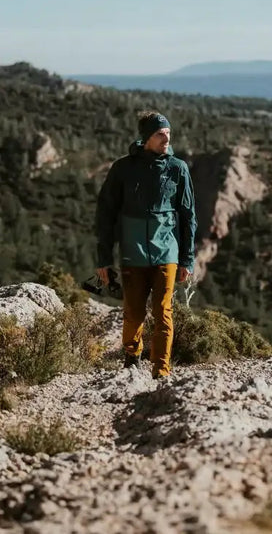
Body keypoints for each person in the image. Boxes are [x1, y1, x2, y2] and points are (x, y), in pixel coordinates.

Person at [95, 111, 196, 378]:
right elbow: (105, 213)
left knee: (163, 311)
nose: (166, 139)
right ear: (146, 138)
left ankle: (161, 370)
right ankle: (132, 356)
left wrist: (187, 259)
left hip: (166, 250)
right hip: (133, 251)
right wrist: (103, 258)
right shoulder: (123, 168)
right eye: (160, 134)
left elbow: (188, 216)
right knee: (133, 312)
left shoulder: (177, 168)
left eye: (168, 133)